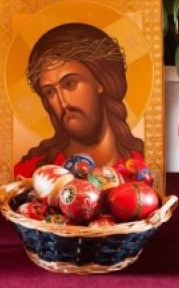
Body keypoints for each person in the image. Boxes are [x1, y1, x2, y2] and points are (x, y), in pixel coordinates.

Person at [13, 23, 144, 177]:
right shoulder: (31, 173)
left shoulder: (141, 167)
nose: (63, 103)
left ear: (100, 81)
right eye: (50, 92)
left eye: (70, 84)